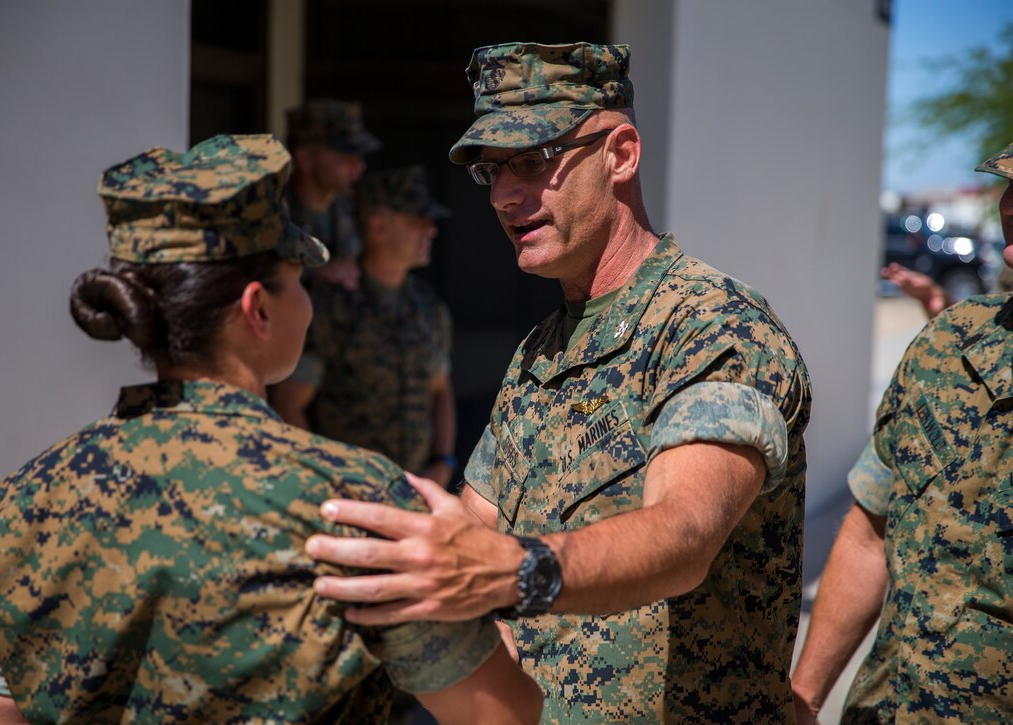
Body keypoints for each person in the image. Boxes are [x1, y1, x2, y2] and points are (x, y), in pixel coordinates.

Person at [303, 42, 813, 721]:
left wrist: (508, 572)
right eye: (492, 172)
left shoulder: (713, 327)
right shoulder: (541, 351)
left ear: (620, 154)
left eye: (533, 161)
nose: (506, 196)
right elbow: (473, 523)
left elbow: (685, 532)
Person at [0, 134, 541, 724]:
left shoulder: (19, 506)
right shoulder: (356, 509)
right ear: (257, 310)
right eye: (298, 281)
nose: (310, 303)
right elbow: (506, 717)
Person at [791, 143, 1013, 723]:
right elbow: (870, 528)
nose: (1010, 205)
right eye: (1011, 188)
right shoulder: (949, 343)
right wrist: (806, 697)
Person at [271, 166, 459, 488]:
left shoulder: (427, 305)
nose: (431, 230)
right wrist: (324, 485)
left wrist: (443, 461)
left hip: (413, 493)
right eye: (417, 221)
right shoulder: (334, 304)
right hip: (349, 498)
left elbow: (440, 389)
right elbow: (290, 403)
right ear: (379, 226)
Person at [283, 98, 380, 290]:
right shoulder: (272, 214)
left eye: (359, 155)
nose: (358, 165)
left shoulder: (355, 209)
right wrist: (315, 276)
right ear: (306, 159)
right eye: (345, 155)